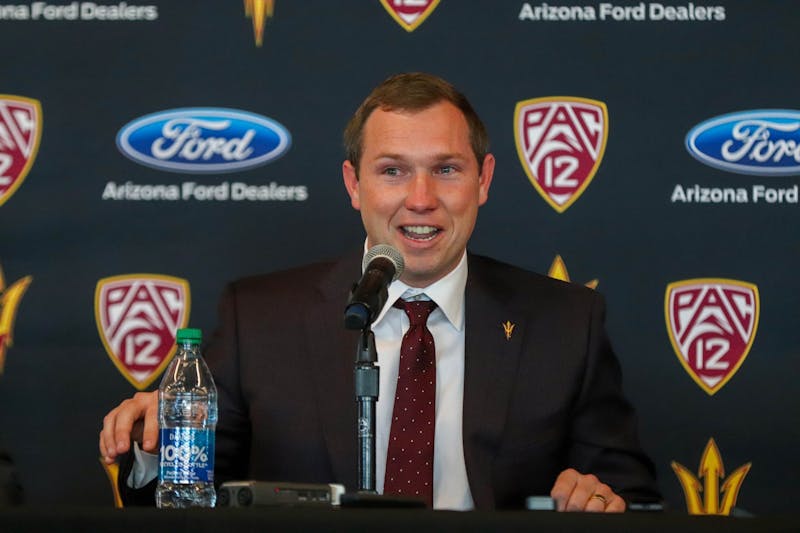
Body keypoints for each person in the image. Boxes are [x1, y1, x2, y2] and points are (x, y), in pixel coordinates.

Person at [100, 72, 660, 511]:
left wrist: (600, 499)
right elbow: (180, 500)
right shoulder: (260, 318)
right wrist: (157, 449)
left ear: (484, 180)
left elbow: (629, 497)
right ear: (353, 184)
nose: (420, 198)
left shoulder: (565, 322)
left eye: (446, 169)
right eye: (393, 171)